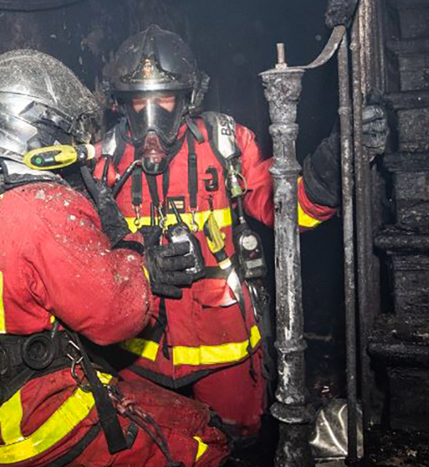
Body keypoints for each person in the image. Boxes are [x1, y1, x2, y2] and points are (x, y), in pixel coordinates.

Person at [0, 49, 230, 467]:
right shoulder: (41, 203)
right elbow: (116, 317)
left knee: (118, 426)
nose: (77, 142)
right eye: (67, 128)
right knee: (201, 439)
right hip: (36, 420)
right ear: (37, 124)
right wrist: (146, 270)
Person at [93, 25, 388, 441]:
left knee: (237, 445)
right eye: (138, 101)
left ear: (190, 99)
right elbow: (88, 259)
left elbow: (288, 208)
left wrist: (337, 163)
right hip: (141, 356)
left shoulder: (224, 146)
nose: (150, 117)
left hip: (225, 346)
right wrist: (137, 267)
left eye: (165, 99)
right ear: (121, 105)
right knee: (155, 452)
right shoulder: (102, 165)